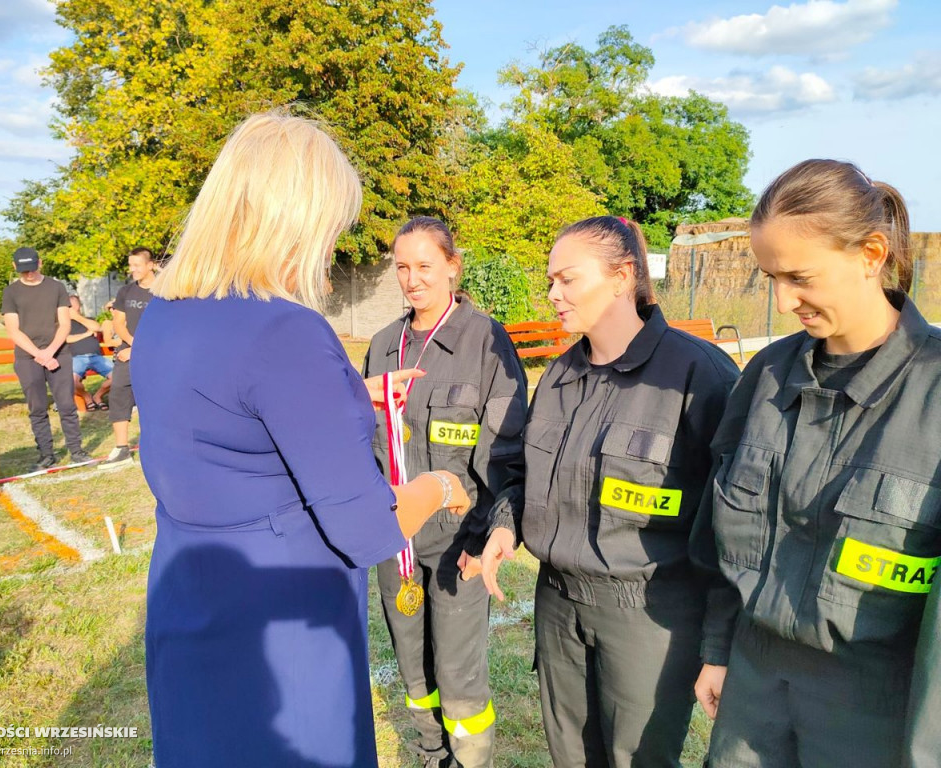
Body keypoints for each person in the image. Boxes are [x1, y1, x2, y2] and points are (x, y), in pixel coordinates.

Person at [130, 111, 473, 768]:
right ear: (296, 220)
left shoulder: (166, 316)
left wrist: (351, 393)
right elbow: (368, 529)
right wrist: (440, 486)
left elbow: (232, 415)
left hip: (191, 606)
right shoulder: (283, 331)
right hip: (281, 636)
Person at [689, 159, 941, 767]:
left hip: (878, 706)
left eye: (800, 277)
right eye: (770, 277)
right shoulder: (766, 377)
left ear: (872, 252)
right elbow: (722, 534)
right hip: (754, 692)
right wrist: (718, 649)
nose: (783, 301)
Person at [481, 216, 740, 768]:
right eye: (550, 280)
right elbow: (526, 474)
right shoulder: (557, 377)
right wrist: (506, 524)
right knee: (571, 757)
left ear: (623, 276)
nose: (552, 294)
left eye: (568, 280)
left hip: (647, 614)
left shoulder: (698, 376)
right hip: (557, 607)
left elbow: (733, 523)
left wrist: (719, 643)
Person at [363, 217, 528, 768]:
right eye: (402, 267)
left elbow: (505, 454)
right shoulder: (384, 345)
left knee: (458, 675)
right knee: (414, 669)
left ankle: (469, 760)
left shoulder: (486, 340)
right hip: (398, 541)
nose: (412, 280)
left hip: (463, 538)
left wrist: (482, 538)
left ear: (453, 267)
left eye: (425, 266)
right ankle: (432, 755)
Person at [1, 247, 92, 470]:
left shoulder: (56, 287)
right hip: (27, 357)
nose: (29, 274)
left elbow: (65, 324)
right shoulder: (10, 292)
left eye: (32, 269)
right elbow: (13, 330)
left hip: (58, 353)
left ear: (40, 263)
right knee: (38, 408)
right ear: (15, 268)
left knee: (66, 405)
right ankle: (46, 455)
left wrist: (50, 351)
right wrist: (39, 354)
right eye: (24, 271)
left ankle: (76, 450)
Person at [98, 247, 156, 469]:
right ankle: (122, 449)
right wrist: (134, 345)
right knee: (118, 396)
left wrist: (140, 349)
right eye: (130, 265)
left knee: (154, 401)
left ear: (150, 265)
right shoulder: (125, 292)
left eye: (137, 265)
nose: (133, 270)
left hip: (154, 355)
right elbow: (118, 324)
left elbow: (168, 327)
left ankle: (156, 445)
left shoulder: (165, 291)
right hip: (127, 353)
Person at [67, 293, 112, 410]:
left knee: (120, 376)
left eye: (73, 304)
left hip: (97, 357)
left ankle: (98, 396)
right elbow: (66, 339)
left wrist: (77, 317)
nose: (70, 308)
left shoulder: (88, 320)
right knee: (70, 381)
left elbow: (98, 327)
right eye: (68, 305)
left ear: (79, 306)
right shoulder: (63, 324)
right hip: (76, 358)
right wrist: (86, 334)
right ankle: (86, 397)